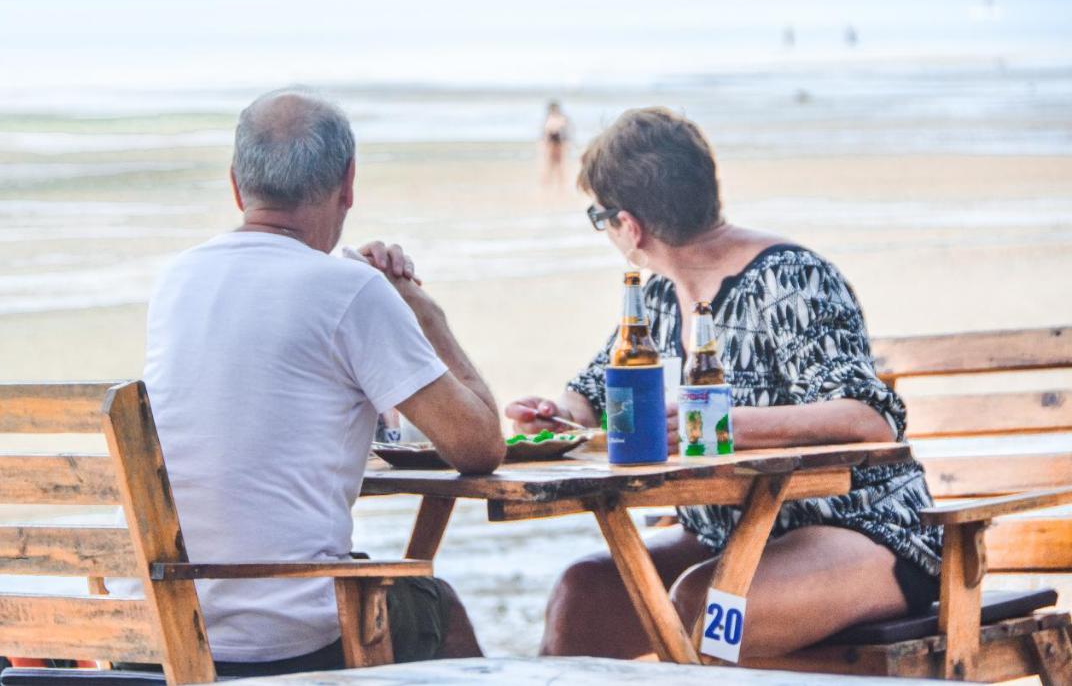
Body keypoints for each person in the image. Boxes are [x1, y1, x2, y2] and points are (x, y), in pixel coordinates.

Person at [505, 107, 942, 659]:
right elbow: (594, 395)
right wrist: (556, 414)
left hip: (866, 535)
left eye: (601, 218)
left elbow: (869, 420)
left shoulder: (792, 282)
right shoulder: (660, 297)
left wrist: (709, 423)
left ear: (630, 226)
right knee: (584, 593)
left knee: (707, 605)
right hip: (726, 535)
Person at [119, 89, 504, 677]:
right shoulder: (351, 291)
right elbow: (479, 446)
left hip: (155, 632)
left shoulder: (178, 281)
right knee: (436, 606)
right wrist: (421, 310)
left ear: (235, 185)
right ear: (348, 184)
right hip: (287, 643)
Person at [539, 99, 571, 187]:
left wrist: (566, 144)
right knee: (550, 165)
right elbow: (545, 134)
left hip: (559, 144)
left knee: (559, 165)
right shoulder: (551, 119)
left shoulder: (560, 119)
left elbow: (565, 134)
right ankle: (547, 183)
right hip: (552, 144)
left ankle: (560, 184)